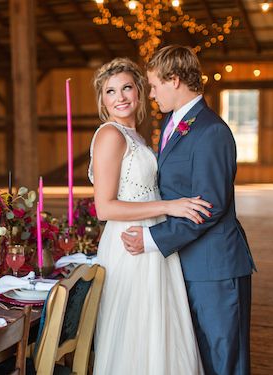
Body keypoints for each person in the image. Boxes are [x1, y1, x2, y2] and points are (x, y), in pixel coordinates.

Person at [122, 45, 256, 375]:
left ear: (175, 80)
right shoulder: (174, 124)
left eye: (154, 85)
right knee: (197, 358)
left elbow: (209, 206)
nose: (150, 94)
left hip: (215, 268)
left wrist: (152, 239)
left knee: (224, 361)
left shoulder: (211, 131)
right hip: (185, 263)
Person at [89, 57, 209, 374]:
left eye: (127, 87)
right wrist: (169, 206)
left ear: (140, 92)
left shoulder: (138, 136)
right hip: (129, 243)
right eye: (111, 92)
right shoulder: (110, 135)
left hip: (153, 239)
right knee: (135, 329)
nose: (121, 97)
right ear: (102, 100)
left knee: (159, 326)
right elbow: (105, 207)